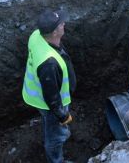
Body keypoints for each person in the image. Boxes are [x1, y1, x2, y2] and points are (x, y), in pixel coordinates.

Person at [22, 9, 76, 163]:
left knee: (51, 126)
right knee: (55, 137)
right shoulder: (49, 64)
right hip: (49, 105)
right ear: (53, 33)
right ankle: (56, 160)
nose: (64, 24)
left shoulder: (36, 35)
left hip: (42, 92)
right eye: (60, 24)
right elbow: (52, 98)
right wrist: (62, 115)